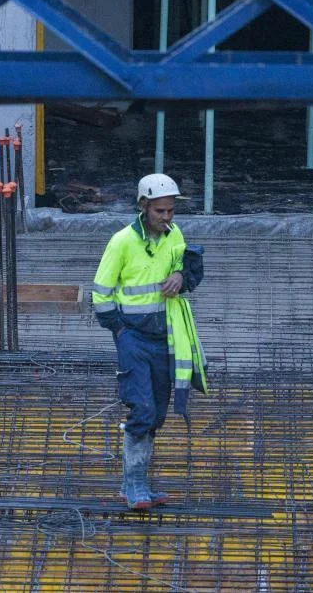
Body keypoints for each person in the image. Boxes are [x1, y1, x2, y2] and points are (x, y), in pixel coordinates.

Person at [91, 173, 207, 509]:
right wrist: (119, 330)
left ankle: (137, 482)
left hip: (164, 336)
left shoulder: (174, 235)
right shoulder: (122, 242)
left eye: (170, 211)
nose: (166, 217)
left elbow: (187, 268)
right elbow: (101, 292)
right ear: (144, 207)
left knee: (156, 412)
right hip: (132, 336)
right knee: (141, 408)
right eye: (160, 211)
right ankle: (134, 486)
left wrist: (180, 276)